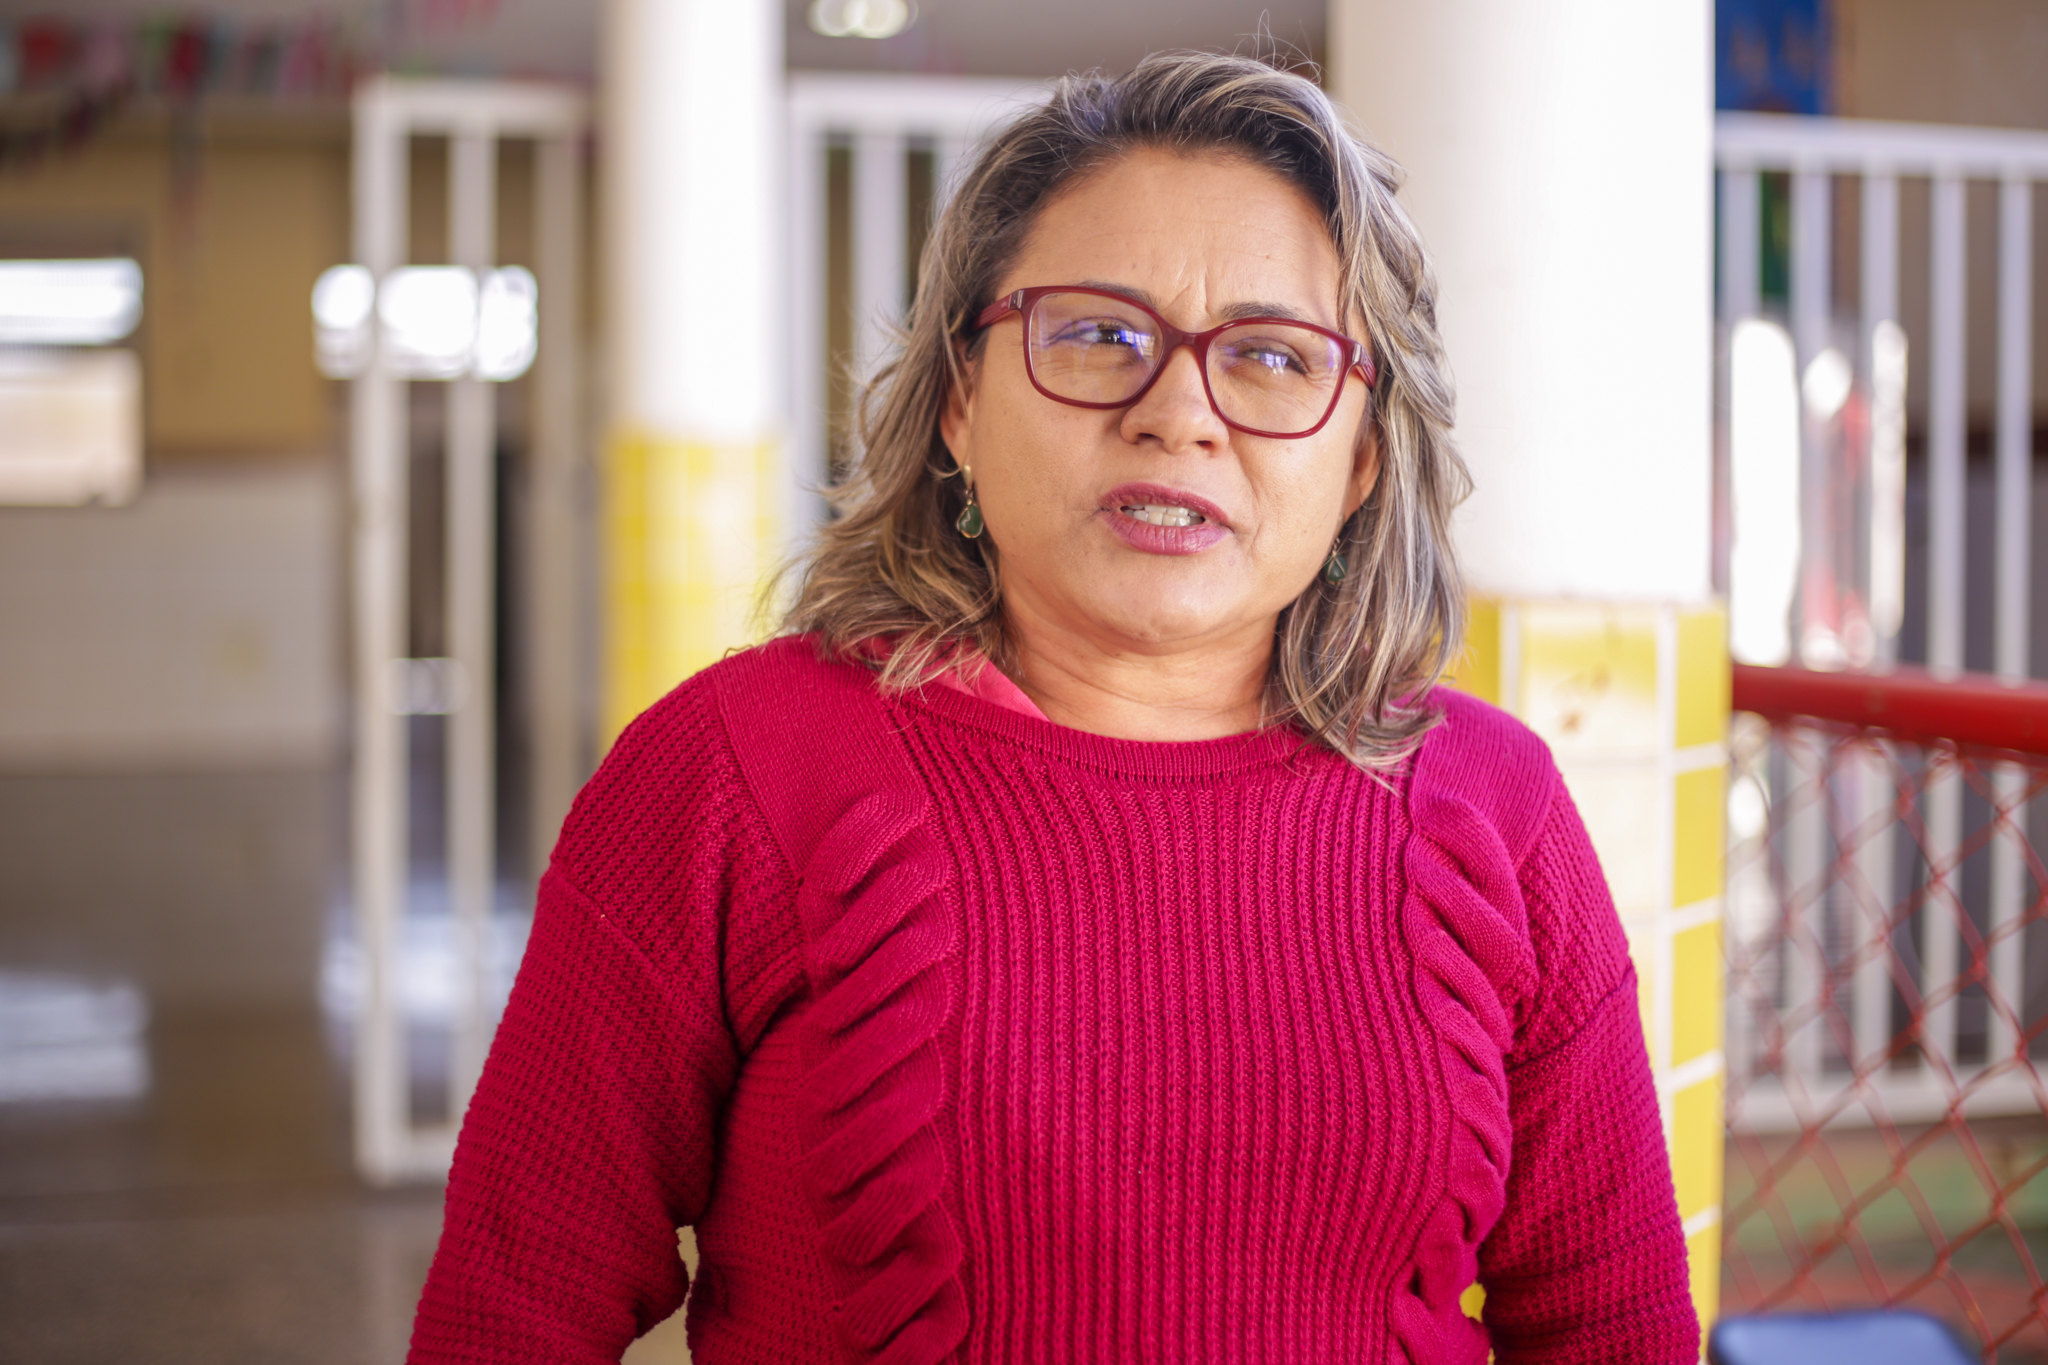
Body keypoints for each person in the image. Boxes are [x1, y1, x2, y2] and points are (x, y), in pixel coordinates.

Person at [409, 50, 1699, 1365]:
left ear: (1363, 456)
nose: (1179, 414)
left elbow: (1613, 1327)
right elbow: (515, 1309)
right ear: (959, 404)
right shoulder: (733, 771)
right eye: (1096, 335)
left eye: (1271, 356)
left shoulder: (1493, 809)